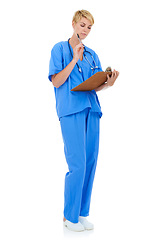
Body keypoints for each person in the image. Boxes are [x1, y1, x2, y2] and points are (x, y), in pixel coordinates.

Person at [48, 10, 119, 232]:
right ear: (73, 24)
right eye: (83, 25)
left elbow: (94, 84)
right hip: (70, 109)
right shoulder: (59, 49)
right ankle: (69, 216)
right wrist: (74, 60)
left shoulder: (92, 54)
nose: (86, 30)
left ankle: (80, 213)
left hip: (92, 108)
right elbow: (57, 81)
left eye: (89, 27)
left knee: (90, 163)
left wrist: (108, 83)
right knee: (77, 163)